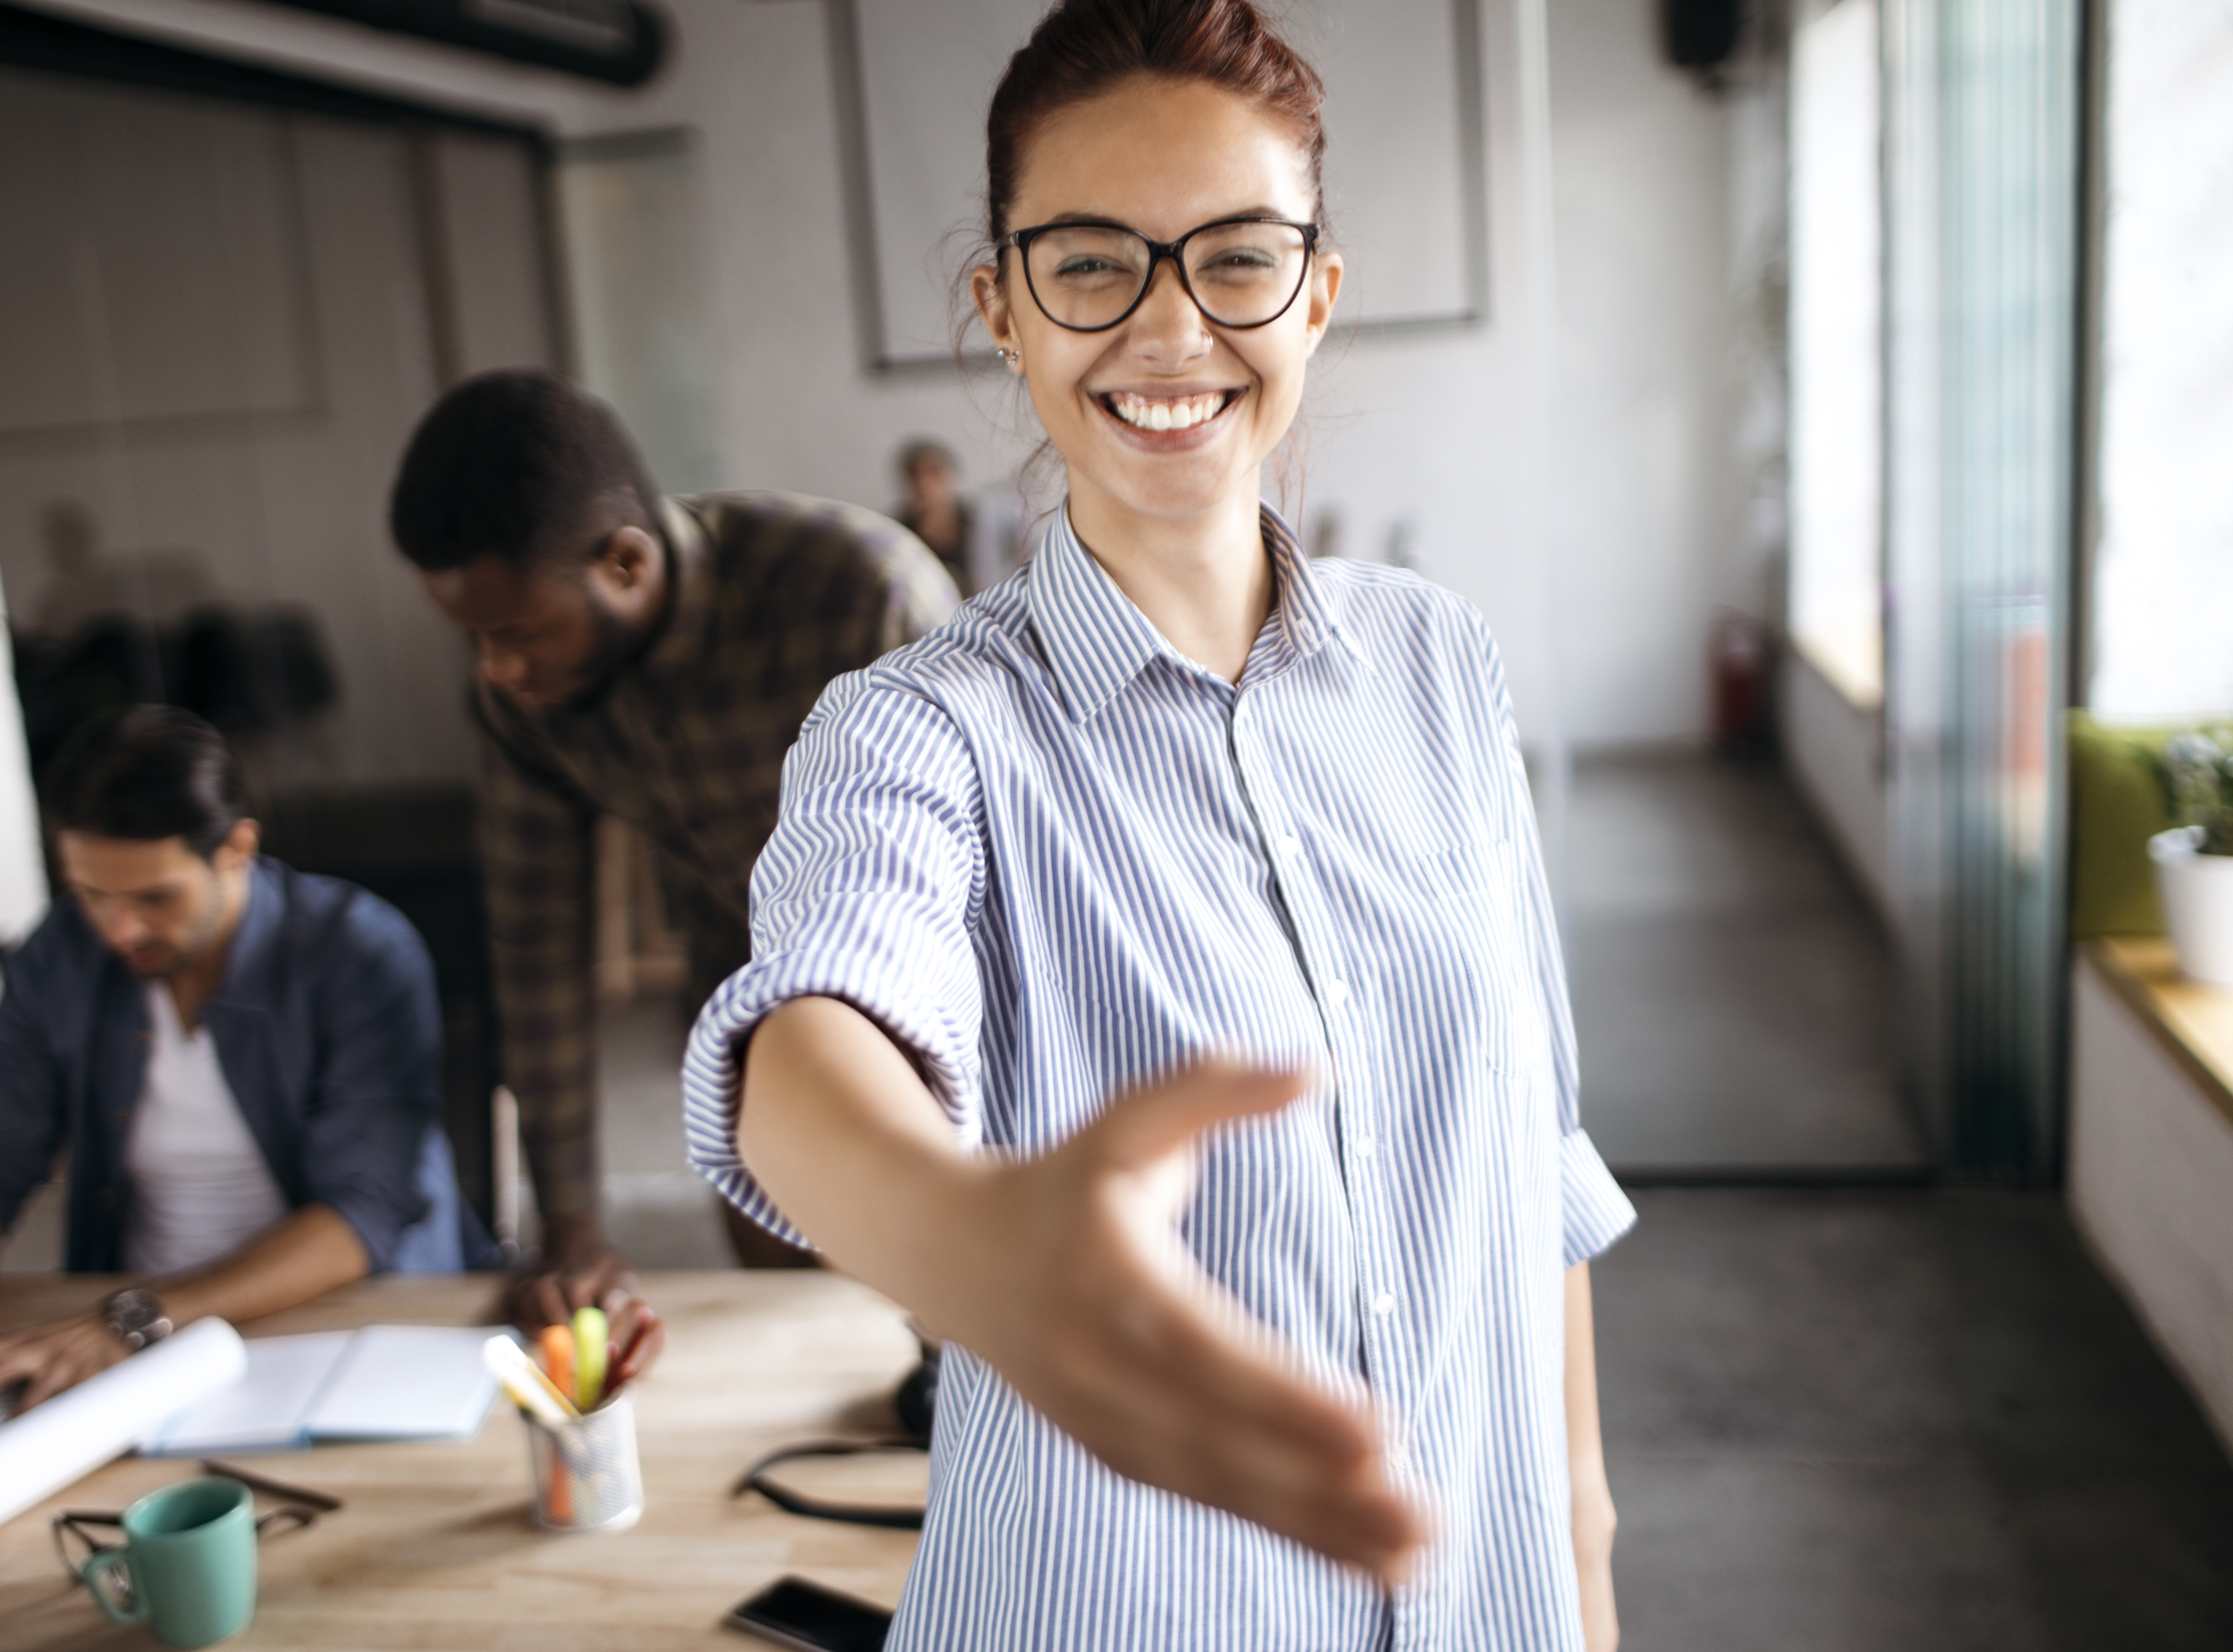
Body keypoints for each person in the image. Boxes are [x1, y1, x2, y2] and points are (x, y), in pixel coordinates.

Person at [681, 3, 1634, 1648]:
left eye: (1235, 259)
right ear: (999, 306)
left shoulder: (1436, 661)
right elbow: (811, 1042)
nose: (1168, 325)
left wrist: (1583, 1541)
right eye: (1090, 262)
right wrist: (966, 1236)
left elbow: (1531, 1156)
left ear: (1314, 294)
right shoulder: (915, 730)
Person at [387, 373, 958, 1333]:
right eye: (475, 639)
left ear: (624, 562)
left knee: (952, 1330)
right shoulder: (522, 703)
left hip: (932, 1011)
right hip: (742, 1022)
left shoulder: (857, 592)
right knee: (785, 1335)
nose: (497, 671)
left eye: (519, 632)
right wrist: (569, 1223)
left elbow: (1003, 868)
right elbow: (539, 952)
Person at [0, 708, 489, 1412]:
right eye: (91, 894)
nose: (121, 929)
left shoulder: (357, 951)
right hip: (133, 1320)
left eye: (156, 897)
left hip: (328, 1315)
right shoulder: (59, 954)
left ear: (237, 849)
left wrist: (133, 1321)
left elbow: (367, 1208)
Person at [893, 439, 975, 595]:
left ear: (950, 477)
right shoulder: (897, 533)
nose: (925, 484)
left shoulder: (979, 523)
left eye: (934, 473)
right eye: (916, 475)